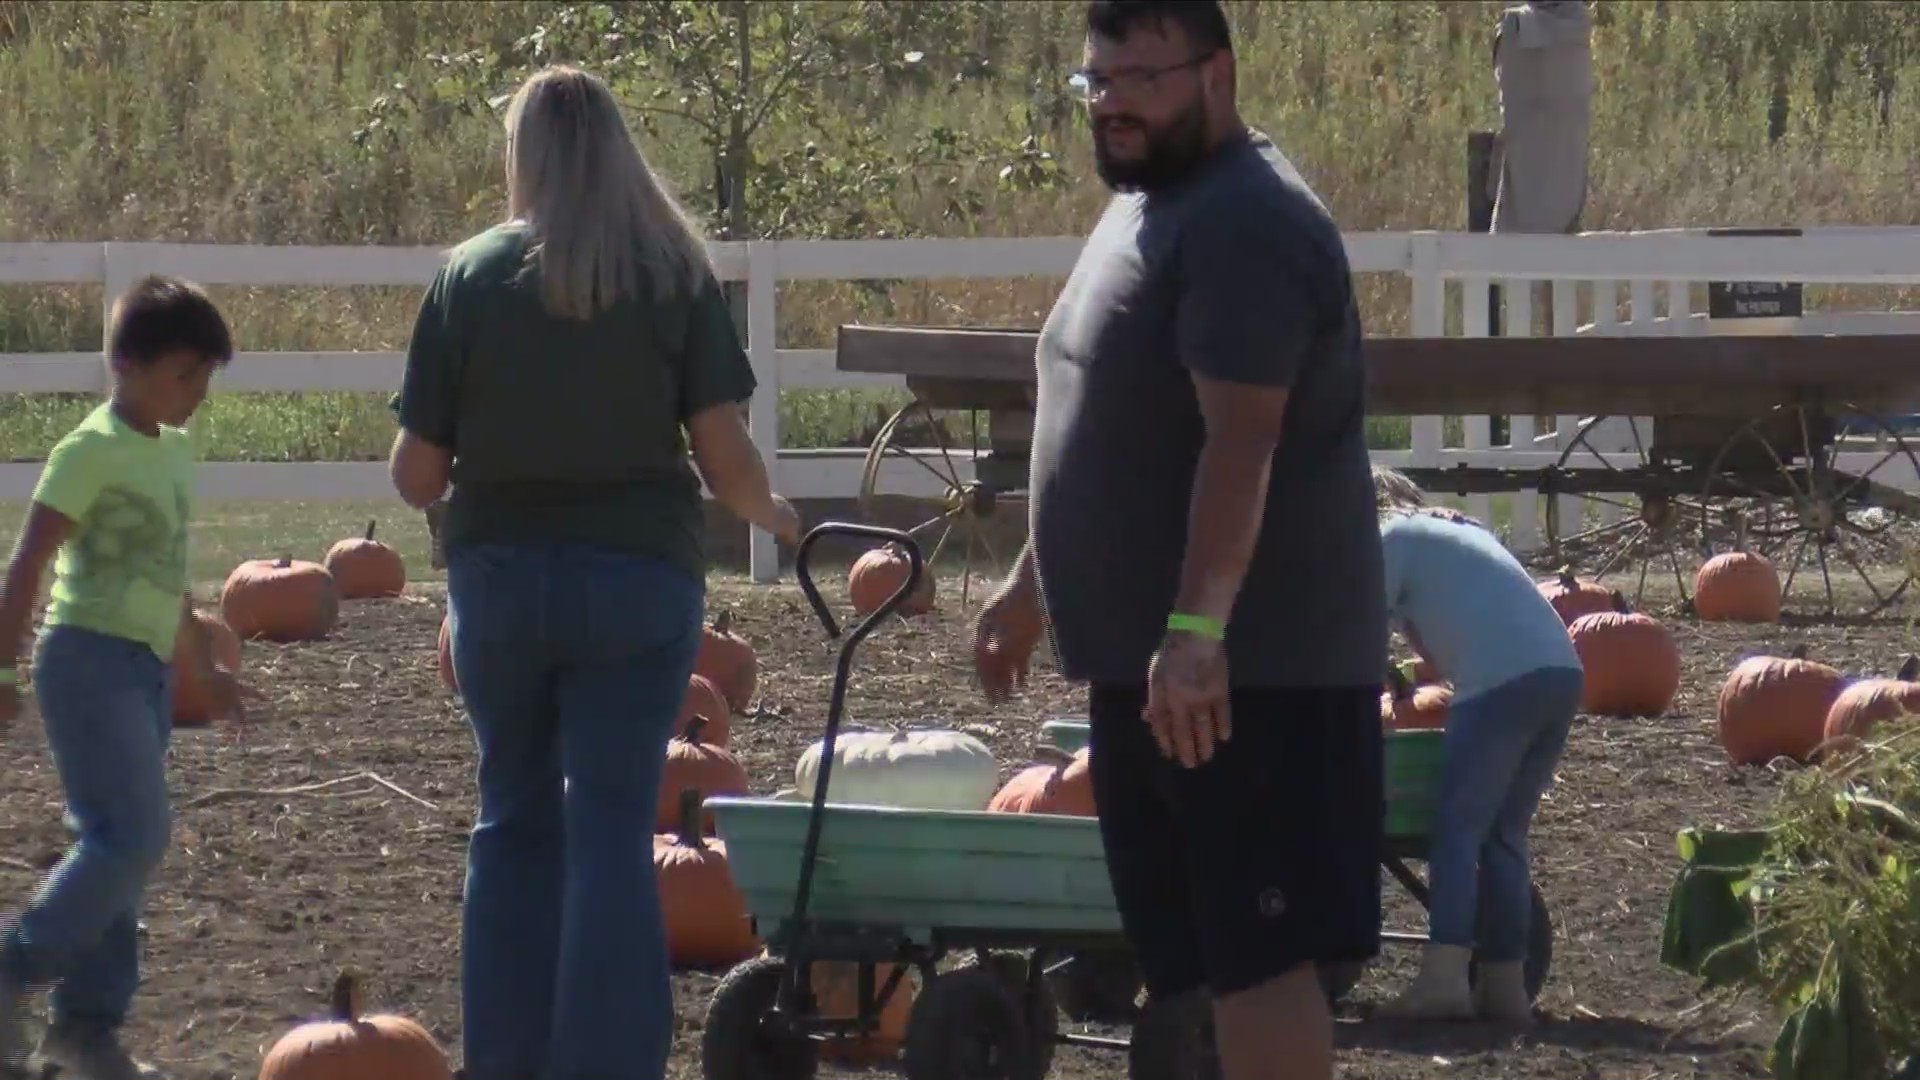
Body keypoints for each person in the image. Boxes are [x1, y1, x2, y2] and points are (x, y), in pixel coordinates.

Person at [972, 4, 1387, 1078]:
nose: (1112, 102)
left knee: (1263, 958)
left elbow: (1242, 441)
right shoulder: (1156, 203)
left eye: (1140, 78)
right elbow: (1109, 422)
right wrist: (1032, 590)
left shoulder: (1248, 220)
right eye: (1095, 80)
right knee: (1196, 955)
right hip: (1157, 670)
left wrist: (1199, 628)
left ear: (1219, 75)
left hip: (1253, 671)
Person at [387, 65, 799, 1080]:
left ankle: (507, 1060)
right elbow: (723, 453)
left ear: (523, 155)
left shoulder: (470, 277)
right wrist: (777, 518)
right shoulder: (668, 271)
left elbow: (416, 475)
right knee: (614, 831)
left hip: (502, 586)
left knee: (512, 819)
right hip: (637, 584)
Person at [0, 275, 245, 1080]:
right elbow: (28, 561)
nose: (198, 393)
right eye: (185, 374)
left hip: (139, 672)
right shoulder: (88, 451)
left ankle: (84, 1032)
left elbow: (164, 578)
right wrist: (2, 667)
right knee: (133, 836)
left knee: (111, 844)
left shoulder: (172, 452)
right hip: (83, 660)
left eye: (207, 375)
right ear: (127, 365)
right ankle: (15, 968)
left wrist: (201, 669)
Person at [1369, 468, 1582, 1023]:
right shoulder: (1462, 535)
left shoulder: (1390, 540)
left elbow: (1363, 634)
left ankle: (1444, 979)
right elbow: (1447, 639)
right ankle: (1505, 989)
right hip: (1561, 672)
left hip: (1501, 681)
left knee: (1458, 834)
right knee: (1503, 837)